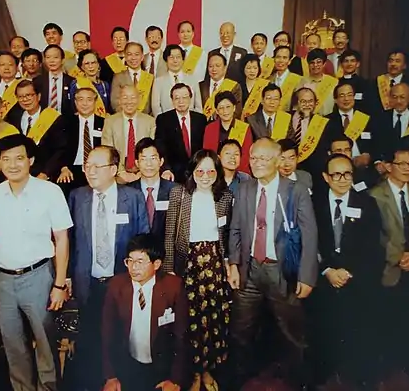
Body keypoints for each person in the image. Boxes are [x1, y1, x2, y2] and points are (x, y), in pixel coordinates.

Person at [0, 134, 72, 391]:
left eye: (19, 158)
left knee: (45, 344)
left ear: (30, 160)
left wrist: (59, 284)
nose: (12, 165)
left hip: (38, 276)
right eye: (6, 159)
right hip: (2, 280)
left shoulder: (50, 192)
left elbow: (62, 239)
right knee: (13, 347)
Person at [228, 138, 318, 389]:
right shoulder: (244, 189)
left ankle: (298, 380)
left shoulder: (296, 190)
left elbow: (310, 234)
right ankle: (239, 377)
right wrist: (233, 264)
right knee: (241, 328)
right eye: (253, 158)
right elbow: (235, 229)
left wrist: (307, 276)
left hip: (282, 271)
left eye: (263, 158)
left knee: (291, 330)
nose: (256, 163)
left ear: (278, 161)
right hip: (249, 269)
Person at [69, 146, 149, 391]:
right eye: (87, 166)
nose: (90, 171)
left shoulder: (132, 198)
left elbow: (143, 237)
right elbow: (70, 241)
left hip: (122, 280)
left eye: (97, 166)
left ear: (113, 169)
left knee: (123, 337)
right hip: (89, 281)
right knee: (91, 338)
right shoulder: (77, 196)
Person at [310, 153, 385, 387]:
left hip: (356, 279)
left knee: (359, 331)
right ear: (326, 177)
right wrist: (327, 270)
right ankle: (324, 371)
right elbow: (309, 243)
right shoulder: (314, 204)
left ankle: (359, 375)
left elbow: (372, 245)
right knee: (324, 329)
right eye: (336, 175)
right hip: (324, 277)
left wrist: (349, 272)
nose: (342, 180)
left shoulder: (367, 203)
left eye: (347, 174)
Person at [163, 149, 232, 391]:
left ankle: (207, 371)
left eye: (210, 171)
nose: (205, 176)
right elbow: (169, 233)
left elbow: (228, 235)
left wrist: (228, 263)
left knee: (213, 320)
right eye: (200, 171)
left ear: (217, 173)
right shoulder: (179, 193)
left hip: (214, 264)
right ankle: (192, 373)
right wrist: (169, 268)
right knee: (189, 320)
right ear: (192, 171)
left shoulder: (225, 197)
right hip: (188, 263)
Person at [370, 142, 409, 379]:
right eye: (402, 164)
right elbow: (375, 234)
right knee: (388, 320)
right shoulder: (375, 195)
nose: (408, 168)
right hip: (389, 269)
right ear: (389, 166)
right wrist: (398, 257)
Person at [102, 234, 188, 391]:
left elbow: (181, 337)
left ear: (156, 264)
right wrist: (110, 376)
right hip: (126, 367)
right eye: (130, 261)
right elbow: (107, 334)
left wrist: (175, 380)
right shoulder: (116, 286)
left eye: (140, 262)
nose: (133, 267)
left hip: (161, 370)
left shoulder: (173, 287)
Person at [6, 79, 67, 182]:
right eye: (21, 97)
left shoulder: (52, 118)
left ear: (38, 96)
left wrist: (45, 173)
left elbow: (60, 151)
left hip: (44, 173)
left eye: (29, 95)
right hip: (18, 171)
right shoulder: (13, 117)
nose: (25, 100)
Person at [102, 85, 156, 183]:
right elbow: (107, 151)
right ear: (119, 101)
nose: (129, 102)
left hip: (144, 173)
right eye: (125, 98)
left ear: (139, 100)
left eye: (133, 97)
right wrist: (120, 172)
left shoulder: (150, 122)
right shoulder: (110, 121)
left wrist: (142, 172)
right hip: (118, 174)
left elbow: (153, 151)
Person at [155, 83, 207, 183]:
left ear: (190, 98)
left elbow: (204, 147)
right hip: (173, 173)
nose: (181, 101)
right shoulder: (163, 119)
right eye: (177, 98)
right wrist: (166, 169)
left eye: (185, 97)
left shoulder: (201, 119)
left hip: (198, 171)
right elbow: (160, 147)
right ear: (172, 101)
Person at [57, 86, 105, 192]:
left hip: (98, 168)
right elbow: (59, 149)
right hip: (72, 168)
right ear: (75, 102)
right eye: (81, 99)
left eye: (89, 100)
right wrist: (64, 168)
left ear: (95, 102)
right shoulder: (65, 122)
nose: (85, 104)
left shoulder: (104, 123)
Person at [128, 138, 175, 242]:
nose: (149, 164)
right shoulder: (127, 192)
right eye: (144, 159)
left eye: (153, 158)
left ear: (161, 161)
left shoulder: (175, 190)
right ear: (137, 163)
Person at [203, 91, 253, 172]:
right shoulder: (210, 128)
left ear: (234, 108)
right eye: (221, 108)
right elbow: (208, 154)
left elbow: (246, 156)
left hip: (239, 172)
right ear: (216, 111)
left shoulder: (244, 127)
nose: (225, 111)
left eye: (228, 107)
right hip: (216, 171)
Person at [34, 44, 76, 117]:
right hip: (43, 120)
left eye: (56, 57)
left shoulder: (71, 81)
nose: (52, 61)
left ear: (63, 60)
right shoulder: (37, 81)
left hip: (66, 121)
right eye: (48, 57)